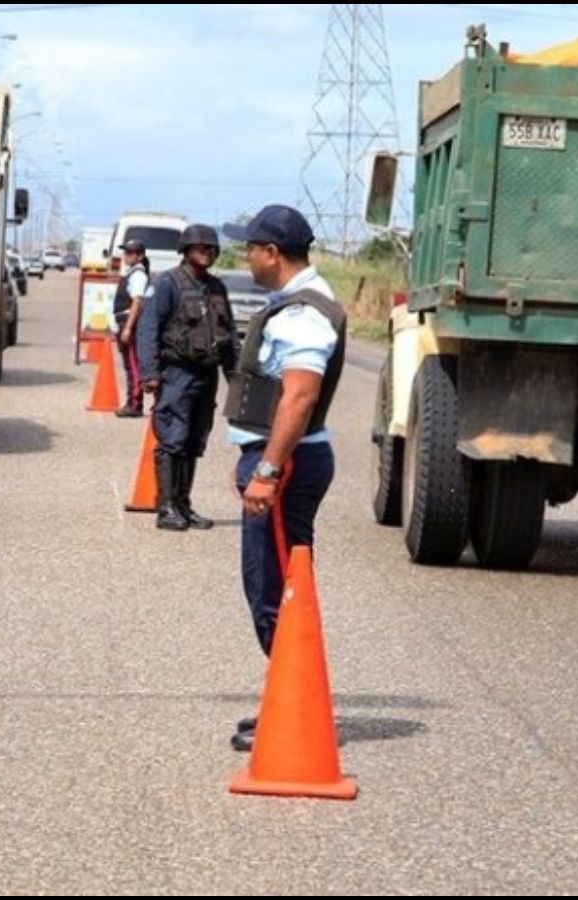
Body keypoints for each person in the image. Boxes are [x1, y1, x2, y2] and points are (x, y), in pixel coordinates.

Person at [220, 204, 346, 752]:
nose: (244, 255)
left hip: (290, 465)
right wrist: (252, 456)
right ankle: (285, 700)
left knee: (273, 588)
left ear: (272, 254)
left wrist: (267, 470)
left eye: (249, 247)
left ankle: (294, 708)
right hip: (281, 458)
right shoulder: (296, 304)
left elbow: (299, 396)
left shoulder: (302, 315)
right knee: (281, 582)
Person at [134, 224, 238, 531]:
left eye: (212, 249)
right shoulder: (167, 284)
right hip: (177, 373)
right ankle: (166, 506)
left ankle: (184, 504)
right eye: (201, 248)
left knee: (195, 441)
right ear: (186, 250)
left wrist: (236, 378)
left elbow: (228, 335)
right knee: (173, 439)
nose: (207, 253)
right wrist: (150, 373)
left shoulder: (217, 288)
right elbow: (148, 328)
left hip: (207, 375)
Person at [112, 239, 150, 417]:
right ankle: (132, 402)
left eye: (131, 252)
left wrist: (128, 328)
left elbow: (137, 301)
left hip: (130, 322)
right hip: (123, 321)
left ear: (140, 256)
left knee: (133, 365)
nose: (127, 255)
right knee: (129, 365)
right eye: (126, 252)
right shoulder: (131, 273)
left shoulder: (138, 275)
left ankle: (135, 404)